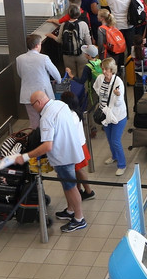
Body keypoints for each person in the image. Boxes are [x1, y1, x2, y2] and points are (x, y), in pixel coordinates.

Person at [6, 91, 88, 232]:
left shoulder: (47, 117)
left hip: (63, 156)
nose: (33, 109)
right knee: (67, 184)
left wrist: (25, 157)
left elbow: (47, 146)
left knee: (71, 187)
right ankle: (70, 210)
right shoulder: (60, 104)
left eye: (32, 106)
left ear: (38, 103)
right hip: (70, 150)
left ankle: (79, 218)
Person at [16, 34, 61, 127]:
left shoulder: (19, 59)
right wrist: (58, 81)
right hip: (44, 95)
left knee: (34, 122)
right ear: (37, 45)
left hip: (27, 95)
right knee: (49, 119)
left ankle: (36, 139)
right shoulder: (44, 58)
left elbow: (20, 74)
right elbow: (56, 74)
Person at [93, 57, 128, 176]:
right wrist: (102, 101)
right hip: (105, 114)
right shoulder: (100, 78)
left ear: (112, 69)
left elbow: (118, 103)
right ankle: (114, 156)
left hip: (118, 116)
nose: (104, 72)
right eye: (103, 69)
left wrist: (117, 96)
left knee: (115, 140)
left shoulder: (118, 82)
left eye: (106, 69)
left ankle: (122, 164)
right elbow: (96, 88)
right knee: (109, 138)